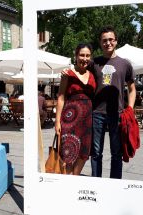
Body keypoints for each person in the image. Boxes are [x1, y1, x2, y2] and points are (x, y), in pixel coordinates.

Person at [90, 26, 136, 179]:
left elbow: (132, 88)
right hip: (97, 113)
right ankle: (97, 183)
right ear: (100, 42)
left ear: (116, 41)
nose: (108, 43)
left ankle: (115, 184)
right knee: (96, 153)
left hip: (117, 113)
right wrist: (67, 72)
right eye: (104, 40)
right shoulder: (94, 62)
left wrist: (130, 108)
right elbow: (80, 73)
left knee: (117, 153)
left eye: (110, 39)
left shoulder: (125, 64)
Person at [55, 43, 96, 175]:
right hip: (70, 118)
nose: (84, 58)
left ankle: (75, 177)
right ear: (76, 56)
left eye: (87, 55)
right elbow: (61, 97)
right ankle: (68, 181)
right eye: (82, 55)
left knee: (84, 151)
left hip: (87, 120)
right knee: (68, 151)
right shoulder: (68, 74)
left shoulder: (93, 74)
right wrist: (57, 122)